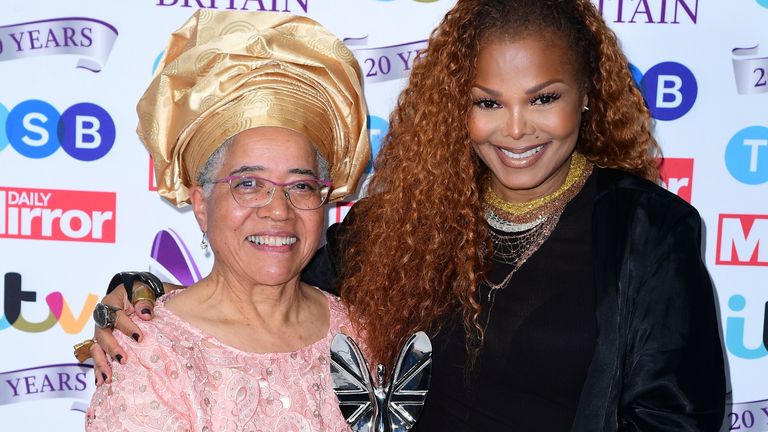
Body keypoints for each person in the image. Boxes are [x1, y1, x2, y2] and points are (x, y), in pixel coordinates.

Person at [83, 0, 726, 430]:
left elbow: (676, 418)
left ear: (587, 96)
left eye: (544, 98)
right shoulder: (410, 222)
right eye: (488, 102)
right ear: (458, 105)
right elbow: (275, 259)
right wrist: (143, 299)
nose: (518, 129)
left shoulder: (646, 232)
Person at [83, 10, 368, 431]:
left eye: (301, 185)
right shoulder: (151, 351)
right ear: (201, 204)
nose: (278, 209)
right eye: (249, 184)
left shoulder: (361, 333)